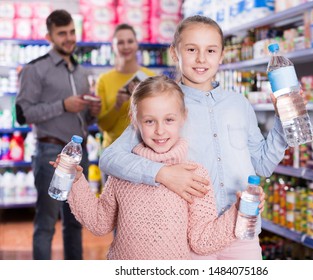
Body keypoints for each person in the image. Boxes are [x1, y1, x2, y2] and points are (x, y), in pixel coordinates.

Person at [99, 15, 288, 260]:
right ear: (175, 54)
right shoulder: (163, 104)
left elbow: (262, 164)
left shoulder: (239, 104)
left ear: (221, 55)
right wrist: (162, 174)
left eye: (210, 50)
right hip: (189, 235)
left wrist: (284, 121)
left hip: (243, 228)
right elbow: (110, 158)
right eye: (191, 49)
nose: (201, 59)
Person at [53, 75, 244, 259]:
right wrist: (76, 181)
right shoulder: (124, 171)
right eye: (149, 121)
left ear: (183, 117)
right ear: (135, 120)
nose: (160, 130)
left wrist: (239, 213)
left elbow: (202, 240)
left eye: (169, 120)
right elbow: (99, 222)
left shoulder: (194, 175)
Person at [15, 9, 101, 260]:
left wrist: (93, 112)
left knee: (75, 222)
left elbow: (84, 119)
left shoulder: (82, 72)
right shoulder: (35, 70)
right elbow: (24, 114)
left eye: (72, 32)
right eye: (62, 33)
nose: (69, 38)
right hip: (51, 153)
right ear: (48, 36)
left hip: (78, 155)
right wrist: (62, 105)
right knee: (46, 223)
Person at [96, 23, 156, 150]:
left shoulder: (150, 77)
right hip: (113, 150)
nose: (126, 46)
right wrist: (117, 105)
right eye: (120, 42)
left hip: (145, 150)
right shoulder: (104, 80)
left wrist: (141, 100)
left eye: (130, 41)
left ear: (136, 44)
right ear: (113, 46)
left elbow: (158, 117)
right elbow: (103, 126)